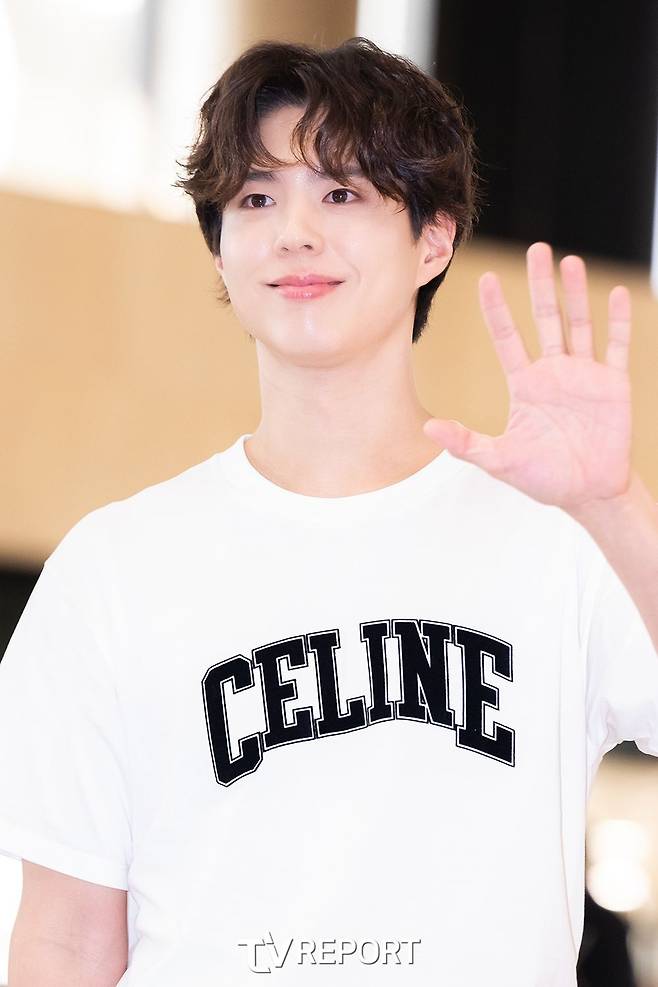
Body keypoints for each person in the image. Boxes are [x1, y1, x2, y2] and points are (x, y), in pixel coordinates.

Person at [1, 35, 657, 987]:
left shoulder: (561, 539)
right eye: (256, 198)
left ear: (433, 238)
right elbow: (64, 941)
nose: (294, 233)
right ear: (220, 247)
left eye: (341, 193)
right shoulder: (112, 569)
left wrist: (615, 501)